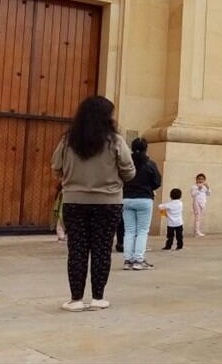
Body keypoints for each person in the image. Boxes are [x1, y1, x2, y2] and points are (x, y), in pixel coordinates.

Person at [51, 95, 136, 311]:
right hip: (108, 202)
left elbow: (56, 167)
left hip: (74, 201)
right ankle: (98, 298)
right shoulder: (115, 140)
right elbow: (129, 171)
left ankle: (76, 299)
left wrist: (72, 180)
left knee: (77, 250)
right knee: (102, 249)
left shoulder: (68, 140)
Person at [122, 137, 161, 271]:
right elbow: (157, 182)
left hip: (127, 198)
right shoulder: (150, 164)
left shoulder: (127, 163)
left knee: (129, 230)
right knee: (142, 231)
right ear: (146, 148)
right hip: (144, 198)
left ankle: (128, 260)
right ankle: (139, 260)